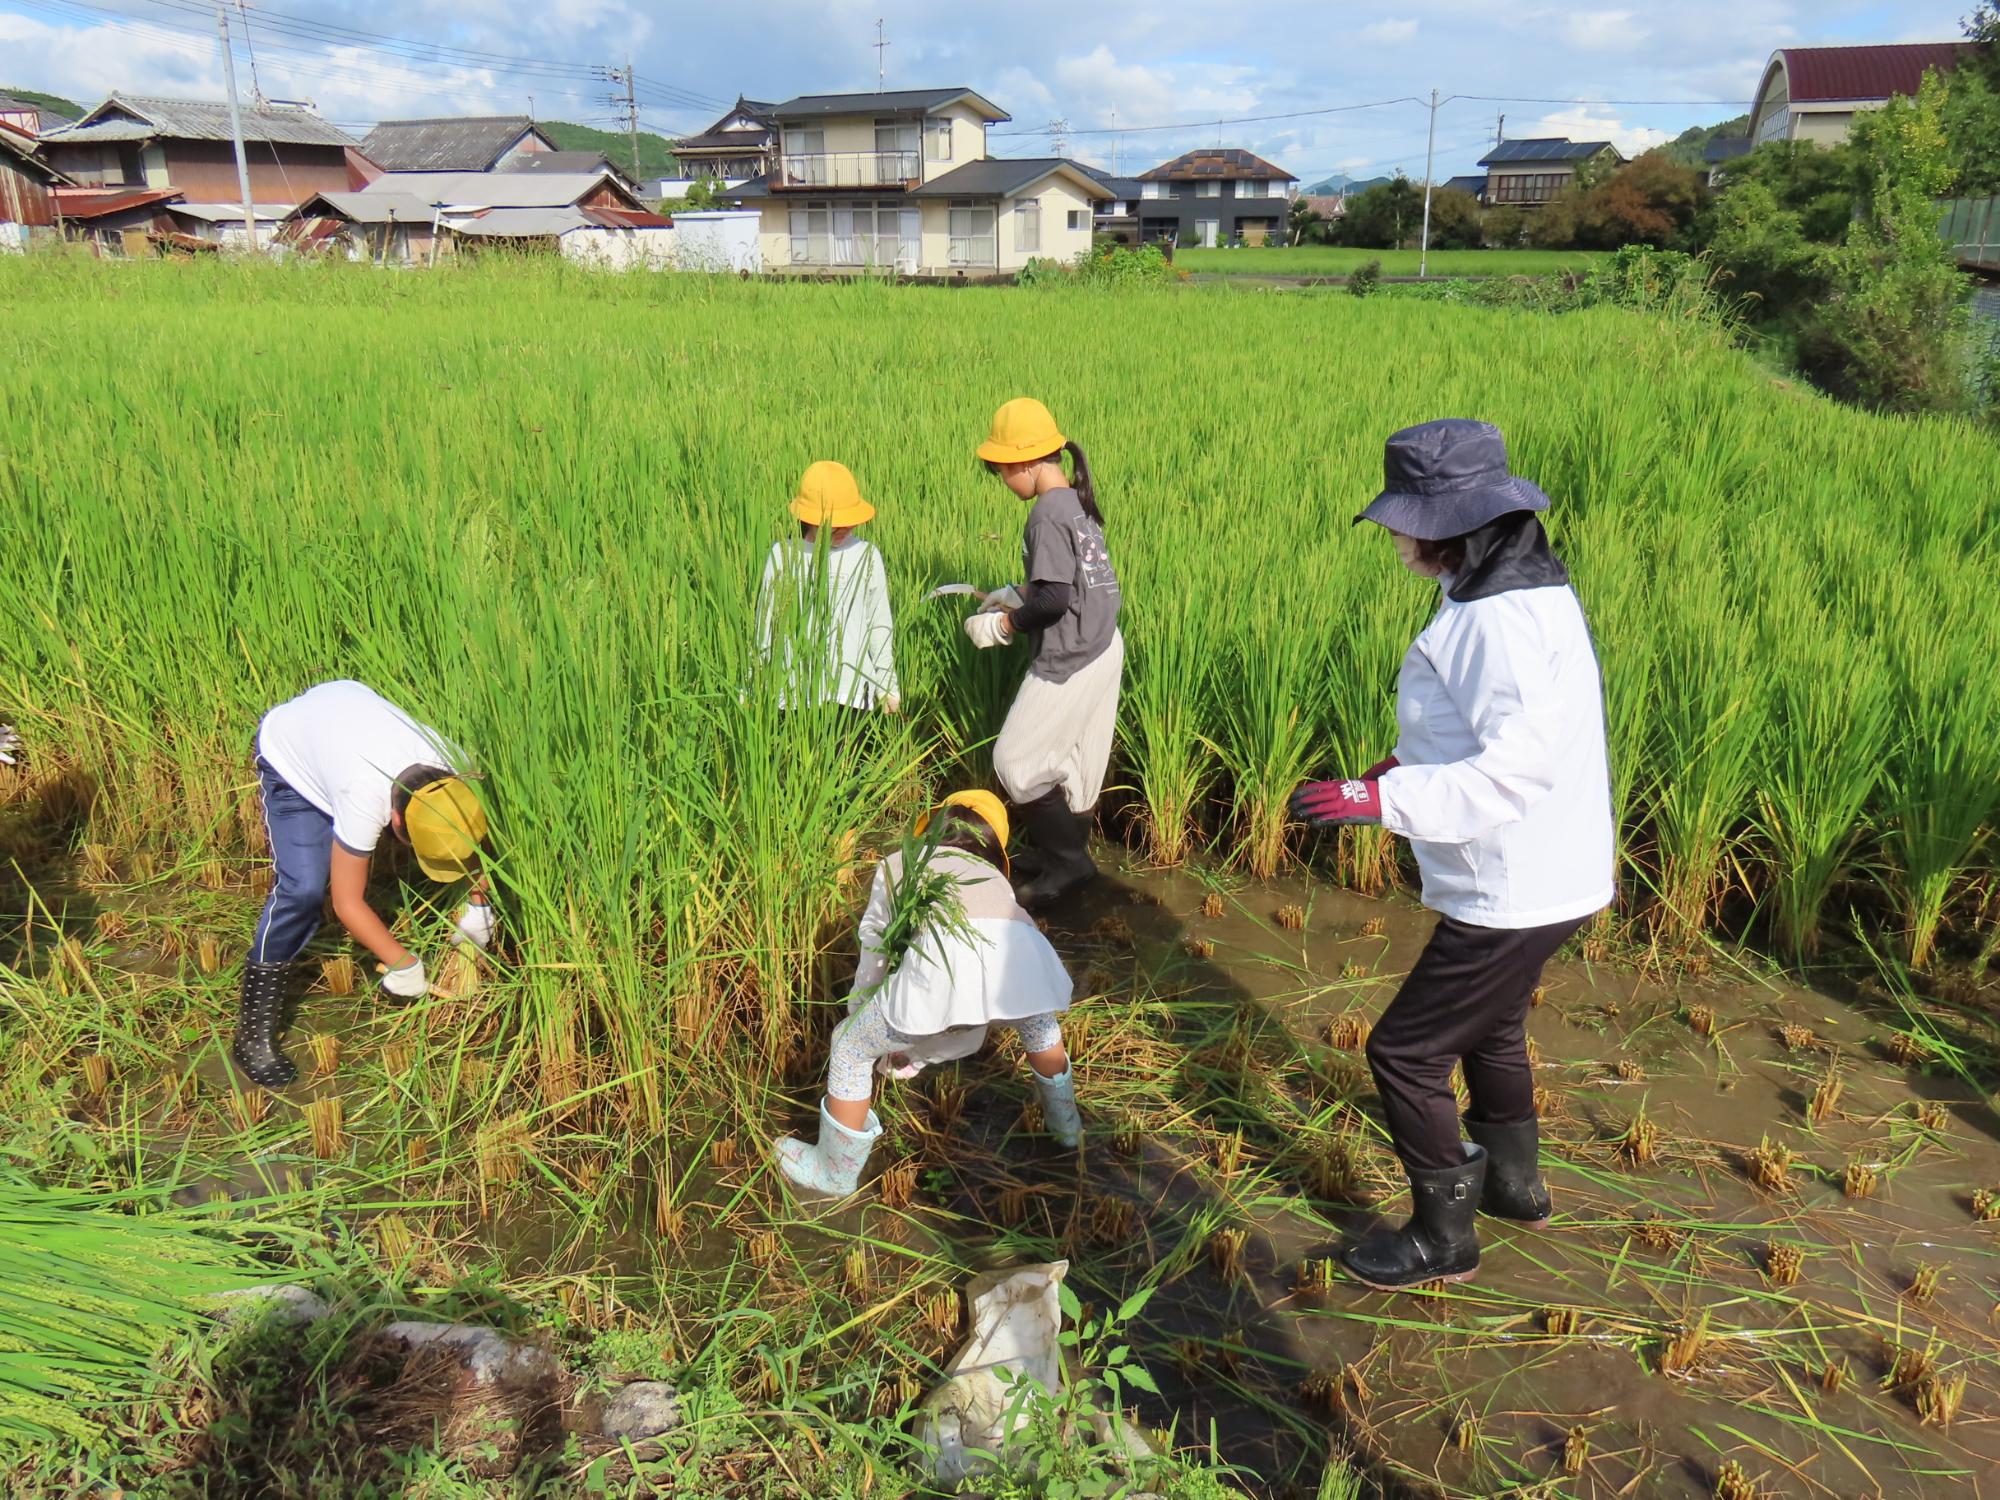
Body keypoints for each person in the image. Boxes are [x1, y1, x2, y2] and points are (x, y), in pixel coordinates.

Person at [1291, 418, 1613, 1292]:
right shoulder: (1515, 587)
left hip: (1518, 880)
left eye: (1403, 522)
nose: (1393, 538)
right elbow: (1484, 729)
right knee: (1494, 1026)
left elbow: (1510, 772)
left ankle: (1444, 1239)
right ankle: (1517, 1187)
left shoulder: (1498, 620)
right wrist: (1396, 766)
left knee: (1404, 1052)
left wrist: (1377, 800)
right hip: (1558, 868)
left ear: (1448, 522)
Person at [773, 790, 1081, 1197]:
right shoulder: (995, 879)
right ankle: (1068, 1130)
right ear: (994, 848)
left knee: (849, 1047)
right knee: (1040, 1026)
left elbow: (875, 948)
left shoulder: (898, 864)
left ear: (928, 831)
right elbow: (970, 1011)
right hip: (1024, 962)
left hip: (945, 973)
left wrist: (863, 1013)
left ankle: (834, 1174)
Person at [235, 680, 491, 1088]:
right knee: (303, 889)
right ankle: (252, 1037)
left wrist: (480, 905)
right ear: (395, 821)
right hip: (292, 750)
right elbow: (346, 902)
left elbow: (469, 833)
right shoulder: (363, 796)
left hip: (344, 709)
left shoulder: (455, 765)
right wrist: (403, 962)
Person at [965, 398, 1123, 908]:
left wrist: (1004, 623)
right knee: (1073, 766)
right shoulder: (1074, 504)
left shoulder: (1045, 516)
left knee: (1016, 761)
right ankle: (1062, 857)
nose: (1003, 483)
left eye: (1003, 471)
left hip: (1072, 654)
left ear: (1028, 463)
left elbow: (1055, 600)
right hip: (1103, 642)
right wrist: (1020, 592)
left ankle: (1071, 865)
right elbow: (1072, 585)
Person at [756, 460, 900, 715]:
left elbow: (879, 624)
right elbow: (766, 626)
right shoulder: (783, 555)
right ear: (807, 516)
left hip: (853, 695)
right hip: (793, 697)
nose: (844, 527)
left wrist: (887, 684)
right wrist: (752, 686)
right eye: (835, 521)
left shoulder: (865, 555)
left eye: (849, 520)